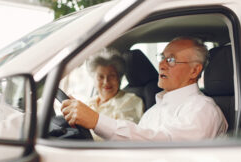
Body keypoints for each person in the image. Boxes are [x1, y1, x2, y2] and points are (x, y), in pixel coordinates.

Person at [61, 37, 228, 141]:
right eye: (162, 57)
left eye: (171, 60)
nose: (161, 65)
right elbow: (135, 143)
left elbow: (164, 144)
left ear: (194, 70)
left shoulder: (203, 109)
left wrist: (96, 121)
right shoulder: (154, 111)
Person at [86, 48, 144, 140]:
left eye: (112, 76)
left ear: (119, 78)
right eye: (100, 77)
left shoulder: (130, 101)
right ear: (94, 80)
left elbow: (123, 138)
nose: (106, 82)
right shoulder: (90, 102)